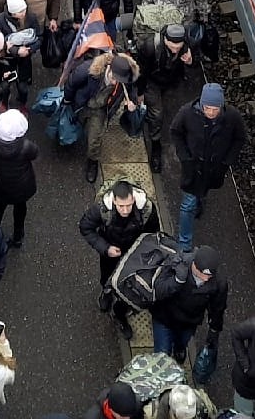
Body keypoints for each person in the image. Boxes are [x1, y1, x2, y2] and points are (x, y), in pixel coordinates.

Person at [169, 79, 248, 248]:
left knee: (202, 192)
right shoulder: (187, 113)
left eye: (215, 109)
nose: (211, 112)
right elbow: (175, 132)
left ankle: (201, 199)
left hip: (213, 170)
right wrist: (185, 157)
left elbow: (240, 138)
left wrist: (226, 161)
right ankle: (184, 245)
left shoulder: (232, 117)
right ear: (201, 104)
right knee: (187, 205)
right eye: (208, 108)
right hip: (193, 169)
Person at [78, 179, 160, 338]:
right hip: (110, 253)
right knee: (107, 277)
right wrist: (105, 248)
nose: (125, 210)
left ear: (134, 199)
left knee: (130, 287)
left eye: (128, 205)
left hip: (134, 257)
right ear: (114, 201)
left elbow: (153, 235)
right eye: (121, 206)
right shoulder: (102, 209)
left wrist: (140, 253)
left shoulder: (147, 209)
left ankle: (120, 313)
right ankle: (107, 293)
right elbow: (85, 227)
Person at [135, 23, 200, 174]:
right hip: (153, 82)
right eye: (172, 45)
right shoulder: (150, 47)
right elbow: (142, 72)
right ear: (165, 40)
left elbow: (198, 60)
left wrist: (190, 61)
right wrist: (140, 93)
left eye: (179, 46)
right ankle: (156, 144)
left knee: (178, 111)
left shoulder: (189, 44)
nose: (176, 49)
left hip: (173, 81)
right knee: (157, 114)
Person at [69, 50, 140, 184]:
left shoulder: (127, 78)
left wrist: (131, 104)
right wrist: (67, 101)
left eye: (118, 81)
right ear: (109, 68)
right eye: (113, 78)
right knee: (74, 126)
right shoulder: (89, 70)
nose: (114, 83)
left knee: (94, 139)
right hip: (82, 103)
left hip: (101, 110)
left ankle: (92, 161)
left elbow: (132, 94)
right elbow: (71, 84)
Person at [149, 245, 228, 363]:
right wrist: (176, 281)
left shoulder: (218, 284)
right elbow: (159, 290)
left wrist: (214, 330)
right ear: (194, 265)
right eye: (203, 274)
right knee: (161, 358)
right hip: (164, 318)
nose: (206, 279)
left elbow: (217, 308)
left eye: (210, 275)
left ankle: (179, 349)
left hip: (189, 322)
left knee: (182, 341)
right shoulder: (176, 263)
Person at [0, 110, 38, 249]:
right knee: (20, 208)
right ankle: (17, 237)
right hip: (20, 185)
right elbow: (35, 154)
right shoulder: (26, 147)